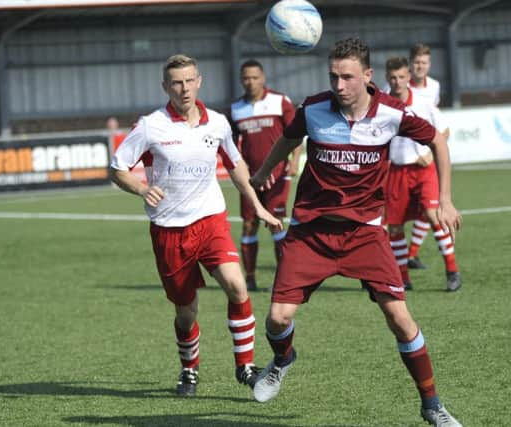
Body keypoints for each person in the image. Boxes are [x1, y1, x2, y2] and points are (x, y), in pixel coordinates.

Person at [249, 38, 463, 427]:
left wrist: (445, 198)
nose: (339, 85)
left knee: (399, 317)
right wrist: (265, 172)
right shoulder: (314, 108)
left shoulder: (393, 113)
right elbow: (289, 138)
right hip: (311, 232)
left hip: (365, 234)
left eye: (347, 77)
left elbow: (436, 140)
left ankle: (432, 404)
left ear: (367, 76)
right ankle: (282, 360)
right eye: (333, 76)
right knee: (278, 319)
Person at [110, 54, 283, 397]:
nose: (184, 88)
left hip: (210, 219)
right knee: (186, 311)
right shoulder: (150, 126)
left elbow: (235, 166)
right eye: (176, 82)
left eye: (189, 80)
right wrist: (143, 188)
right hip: (170, 230)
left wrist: (258, 206)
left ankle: (245, 366)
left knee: (237, 286)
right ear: (166, 87)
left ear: (199, 81)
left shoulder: (217, 123)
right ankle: (189, 369)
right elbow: (117, 168)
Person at [384, 56, 461, 292]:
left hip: (423, 170)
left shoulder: (424, 103)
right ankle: (404, 278)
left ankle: (452, 271)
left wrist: (429, 153)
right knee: (394, 227)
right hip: (396, 171)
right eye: (393, 78)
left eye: (401, 77)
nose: (397, 82)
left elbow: (444, 130)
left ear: (409, 77)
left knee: (433, 215)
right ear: (387, 78)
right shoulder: (382, 105)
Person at [230, 59, 301, 291]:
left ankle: (283, 279)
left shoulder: (280, 101)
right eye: (246, 78)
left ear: (263, 78)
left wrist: (294, 161)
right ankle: (249, 279)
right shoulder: (236, 109)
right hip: (250, 179)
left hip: (278, 175)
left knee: (276, 225)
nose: (250, 82)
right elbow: (231, 145)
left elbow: (296, 133)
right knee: (249, 225)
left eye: (254, 77)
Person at [405, 43, 443, 269]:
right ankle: (398, 258)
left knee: (428, 208)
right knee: (393, 216)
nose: (420, 66)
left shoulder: (434, 87)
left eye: (424, 62)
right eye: (417, 62)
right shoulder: (396, 85)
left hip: (427, 157)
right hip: (402, 161)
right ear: (410, 63)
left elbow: (435, 121)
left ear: (429, 65)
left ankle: (412, 254)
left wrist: (430, 152)